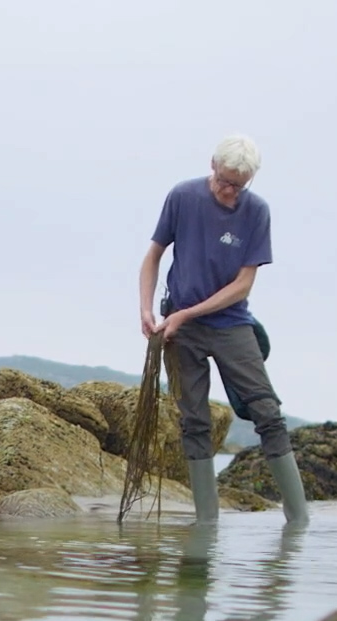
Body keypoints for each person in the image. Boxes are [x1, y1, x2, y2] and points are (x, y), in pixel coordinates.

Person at [138, 135, 307, 525]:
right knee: (194, 421)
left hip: (232, 325)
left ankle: (298, 522)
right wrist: (147, 309)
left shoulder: (257, 212)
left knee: (267, 411)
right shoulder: (183, 196)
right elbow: (152, 257)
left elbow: (242, 286)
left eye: (238, 185)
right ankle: (206, 522)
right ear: (212, 165)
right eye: (224, 181)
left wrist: (188, 313)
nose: (229, 191)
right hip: (182, 330)